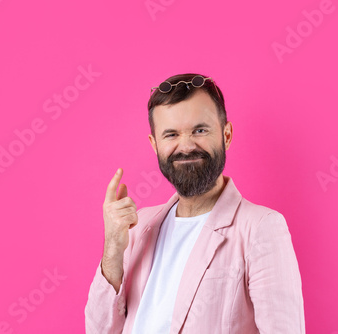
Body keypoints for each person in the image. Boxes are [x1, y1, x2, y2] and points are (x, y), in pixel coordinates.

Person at [84, 73, 305, 333]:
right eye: (171, 134)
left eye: (200, 130)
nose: (186, 146)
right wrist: (112, 248)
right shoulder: (137, 226)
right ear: (155, 145)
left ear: (227, 134)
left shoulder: (261, 228)